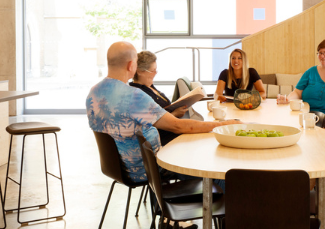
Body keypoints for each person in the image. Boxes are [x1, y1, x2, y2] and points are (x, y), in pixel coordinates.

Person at [86, 41, 240, 183]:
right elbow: (177, 126)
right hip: (150, 169)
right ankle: (225, 212)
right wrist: (224, 124)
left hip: (118, 169)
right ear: (131, 65)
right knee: (218, 169)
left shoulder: (93, 94)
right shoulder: (133, 96)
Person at [130, 51, 188, 145]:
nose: (155, 73)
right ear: (140, 71)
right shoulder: (138, 93)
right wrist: (175, 114)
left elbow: (162, 109)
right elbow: (152, 124)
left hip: (172, 132)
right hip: (164, 139)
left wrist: (177, 103)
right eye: (153, 71)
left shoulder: (150, 86)